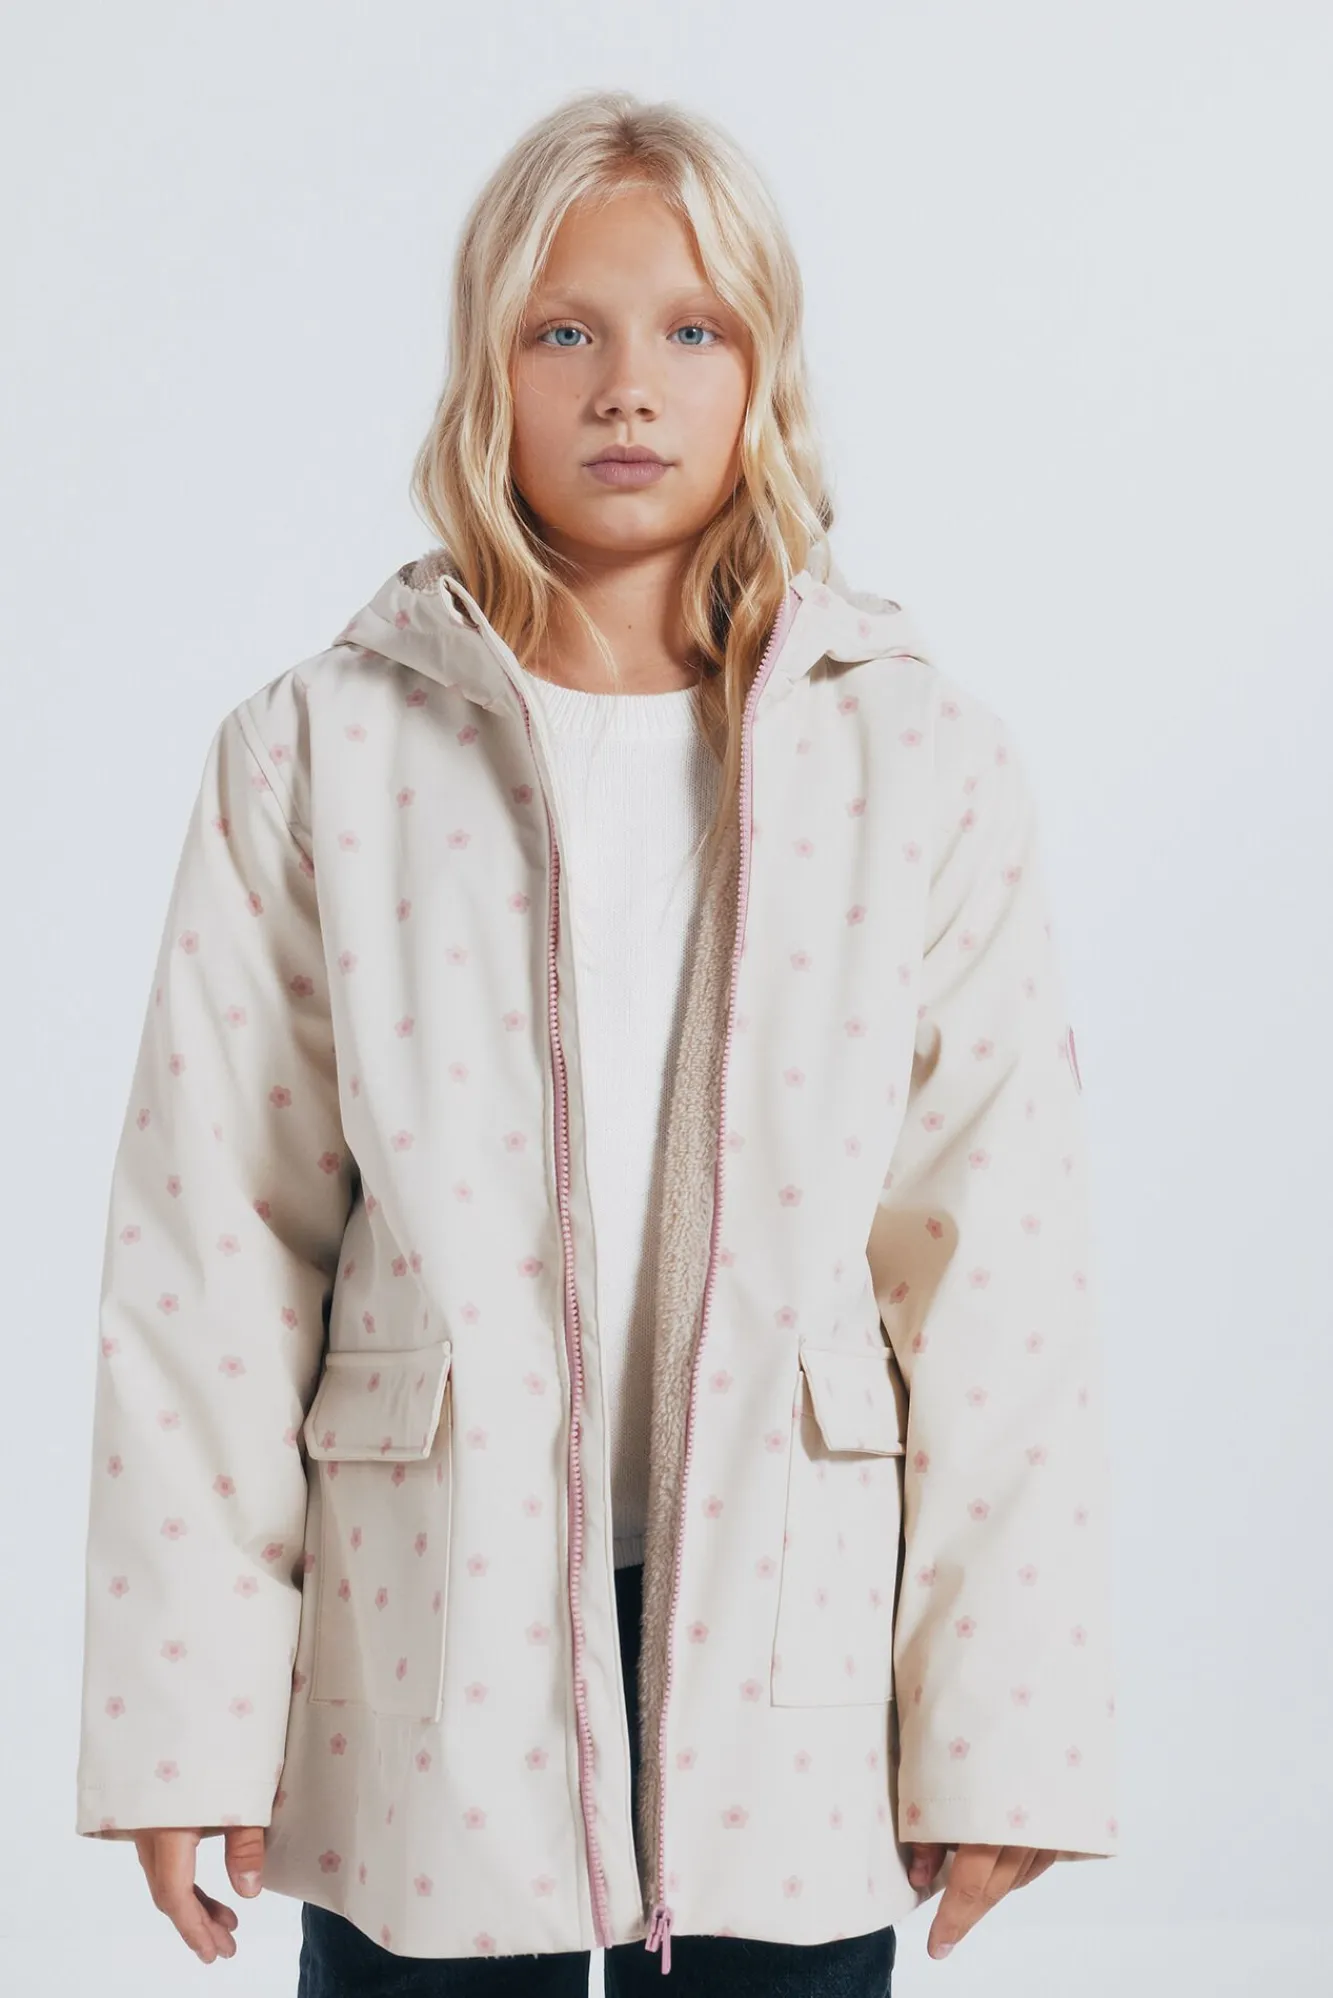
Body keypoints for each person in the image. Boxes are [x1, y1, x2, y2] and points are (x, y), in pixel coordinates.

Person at [73, 86, 1119, 1994]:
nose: (628, 385)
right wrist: (188, 1719)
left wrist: (1003, 1730)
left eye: (691, 329)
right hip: (430, 1625)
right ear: (486, 366)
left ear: (765, 369)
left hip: (792, 1629)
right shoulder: (322, 751)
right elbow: (214, 1258)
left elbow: (998, 1271)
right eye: (566, 328)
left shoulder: (919, 760)